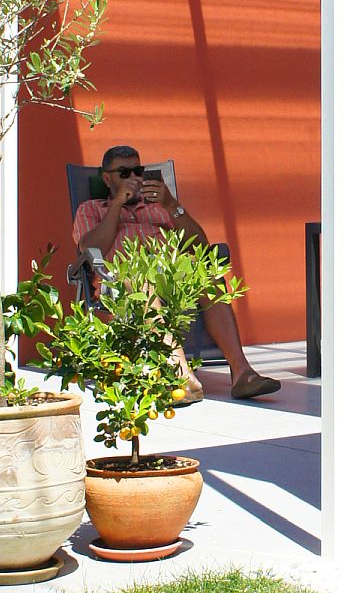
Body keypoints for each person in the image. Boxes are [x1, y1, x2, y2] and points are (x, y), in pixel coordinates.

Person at [71, 143, 280, 402]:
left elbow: (200, 246)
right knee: (141, 280)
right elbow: (91, 249)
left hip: (169, 273)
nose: (134, 178)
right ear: (106, 177)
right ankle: (181, 374)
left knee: (207, 275)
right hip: (122, 279)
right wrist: (116, 205)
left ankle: (242, 374)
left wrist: (172, 205)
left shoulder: (159, 207)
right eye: (124, 173)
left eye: (138, 171)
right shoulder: (92, 209)